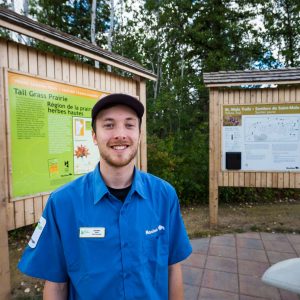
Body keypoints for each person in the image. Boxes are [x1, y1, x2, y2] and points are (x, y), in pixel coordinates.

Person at [18, 93, 192, 300]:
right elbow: (56, 285)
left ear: (139, 133)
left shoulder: (164, 196)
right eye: (109, 125)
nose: (120, 134)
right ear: (94, 136)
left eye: (129, 125)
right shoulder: (63, 204)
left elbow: (173, 268)